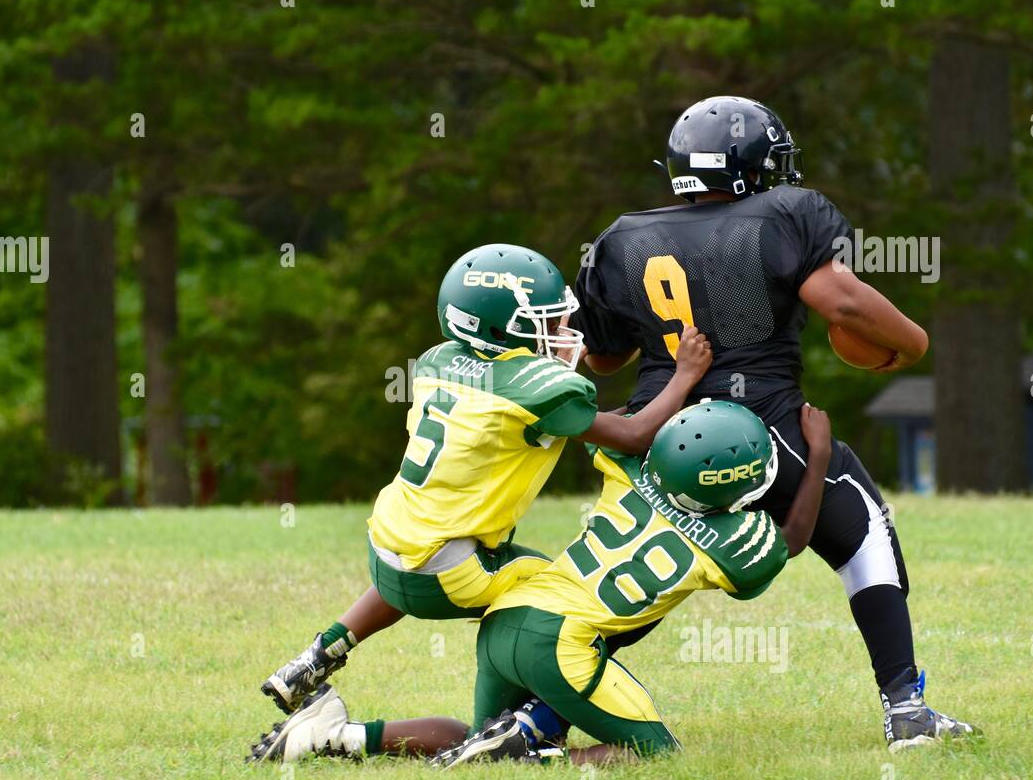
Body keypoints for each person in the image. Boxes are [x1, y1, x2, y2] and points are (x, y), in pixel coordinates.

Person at [570, 96, 975, 750]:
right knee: (864, 532)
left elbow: (604, 353)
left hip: (660, 435)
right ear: (751, 166)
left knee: (641, 579)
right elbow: (837, 298)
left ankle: (535, 715)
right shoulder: (787, 211)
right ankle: (905, 707)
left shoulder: (621, 236)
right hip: (762, 426)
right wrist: (914, 342)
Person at [255, 244, 712, 747]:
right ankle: (529, 724)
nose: (562, 334)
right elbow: (634, 435)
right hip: (448, 571)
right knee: (564, 603)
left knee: (426, 560)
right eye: (548, 323)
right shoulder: (539, 388)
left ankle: (321, 657)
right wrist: (684, 375)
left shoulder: (437, 360)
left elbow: (522, 394)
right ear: (502, 330)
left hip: (387, 551)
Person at [249, 400, 830, 766]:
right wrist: (821, 455)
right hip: (563, 644)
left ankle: (338, 738)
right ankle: (530, 754)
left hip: (506, 615)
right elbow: (795, 536)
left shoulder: (627, 475)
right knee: (651, 752)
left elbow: (630, 435)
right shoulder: (731, 541)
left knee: (471, 737)